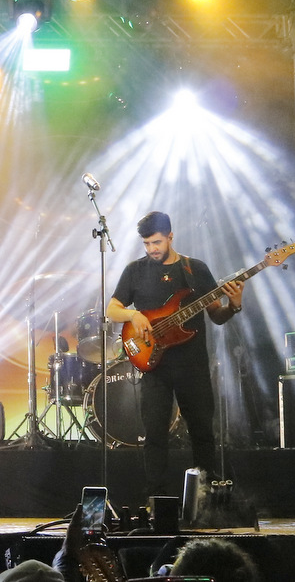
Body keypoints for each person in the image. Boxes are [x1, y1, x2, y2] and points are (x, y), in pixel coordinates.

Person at [104, 211, 242, 497]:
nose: (151, 249)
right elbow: (112, 309)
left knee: (202, 433)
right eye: (146, 244)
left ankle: (206, 498)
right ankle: (156, 499)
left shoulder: (195, 269)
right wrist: (133, 315)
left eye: (156, 242)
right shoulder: (135, 270)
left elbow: (216, 316)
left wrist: (234, 305)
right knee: (155, 435)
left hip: (193, 366)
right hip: (155, 366)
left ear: (170, 236)